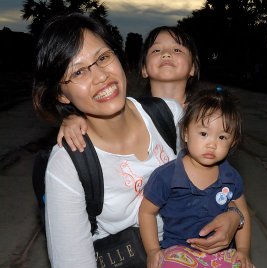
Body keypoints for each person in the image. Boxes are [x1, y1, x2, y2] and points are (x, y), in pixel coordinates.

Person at [33, 13, 241, 267]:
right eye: (78, 72)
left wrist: (234, 215)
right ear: (61, 94)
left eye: (103, 57)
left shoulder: (169, 115)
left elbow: (216, 180)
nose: (100, 76)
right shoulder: (67, 166)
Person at [139, 88, 253, 268]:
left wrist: (244, 251)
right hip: (178, 252)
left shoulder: (231, 177)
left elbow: (243, 213)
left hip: (220, 252)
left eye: (222, 137)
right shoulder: (166, 176)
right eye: (203, 134)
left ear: (233, 142)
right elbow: (147, 212)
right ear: (185, 133)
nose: (212, 144)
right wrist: (153, 250)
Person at [57, 25, 200, 152]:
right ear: (144, 68)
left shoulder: (207, 113)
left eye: (177, 49)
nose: (166, 53)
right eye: (156, 50)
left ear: (193, 67)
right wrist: (73, 118)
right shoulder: (130, 111)